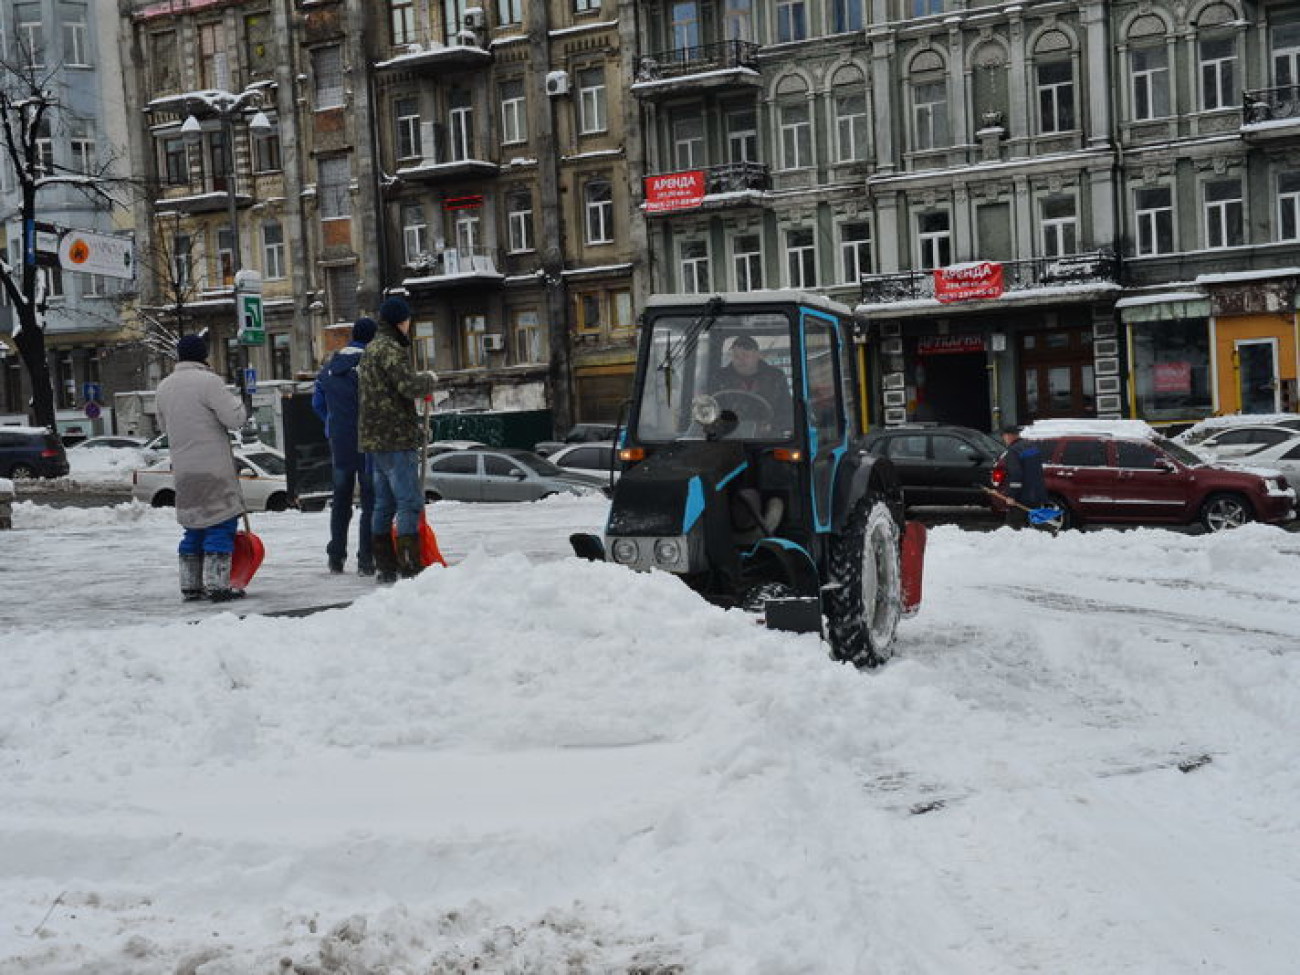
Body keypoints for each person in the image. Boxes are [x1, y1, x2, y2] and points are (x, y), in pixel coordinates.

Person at [154, 333, 249, 601]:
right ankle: (217, 585)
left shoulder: (164, 387)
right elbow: (234, 419)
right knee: (221, 522)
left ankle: (190, 585)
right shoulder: (209, 382)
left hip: (184, 470)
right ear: (203, 356)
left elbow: (164, 427)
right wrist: (241, 403)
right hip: (214, 470)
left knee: (194, 525)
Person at [358, 296, 438, 583]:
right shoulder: (391, 350)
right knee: (409, 502)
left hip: (374, 440)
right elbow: (407, 386)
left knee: (383, 504)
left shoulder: (369, 349)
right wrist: (428, 380)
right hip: (396, 437)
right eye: (408, 319)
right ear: (400, 321)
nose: (410, 324)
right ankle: (409, 564)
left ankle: (385, 566)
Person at [313, 316, 378, 576]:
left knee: (341, 499)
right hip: (366, 440)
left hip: (338, 441)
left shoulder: (329, 366)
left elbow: (317, 403)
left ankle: (336, 557)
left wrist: (332, 423)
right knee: (370, 501)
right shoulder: (369, 363)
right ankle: (366, 559)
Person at [714, 334, 792, 429]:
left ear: (757, 355)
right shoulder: (720, 378)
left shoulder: (776, 377)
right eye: (736, 356)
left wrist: (771, 426)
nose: (740, 360)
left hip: (769, 436)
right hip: (730, 434)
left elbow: (787, 412)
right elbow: (711, 408)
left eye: (745, 355)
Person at [1000, 424, 1048, 529]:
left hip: (1022, 497)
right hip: (1036, 494)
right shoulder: (1031, 446)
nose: (1004, 439)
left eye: (1003, 436)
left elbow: (1016, 474)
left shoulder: (1013, 451)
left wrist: (1012, 496)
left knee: (1013, 528)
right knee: (1034, 526)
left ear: (1009, 436)